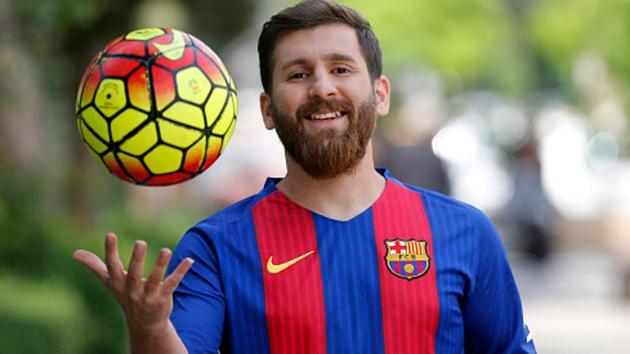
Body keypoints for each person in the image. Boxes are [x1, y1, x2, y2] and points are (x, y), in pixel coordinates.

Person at [73, 1, 537, 353]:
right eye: (297, 74)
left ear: (380, 94)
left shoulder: (463, 232)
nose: (321, 87)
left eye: (340, 68)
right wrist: (150, 328)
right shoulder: (215, 248)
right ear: (268, 110)